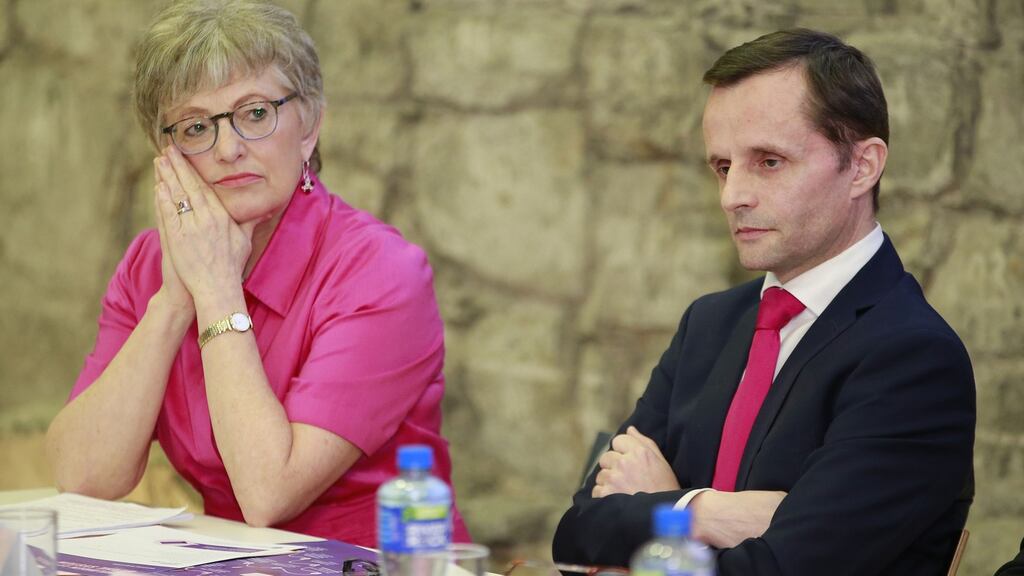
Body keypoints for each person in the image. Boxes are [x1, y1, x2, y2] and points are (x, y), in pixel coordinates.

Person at [45, 0, 470, 547]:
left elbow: (269, 492)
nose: (227, 149)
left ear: (310, 124)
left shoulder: (380, 272)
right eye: (196, 127)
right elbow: (83, 478)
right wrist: (174, 303)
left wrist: (218, 292)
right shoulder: (149, 266)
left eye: (255, 114)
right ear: (166, 153)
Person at [552, 29, 974, 576]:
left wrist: (662, 508)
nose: (732, 196)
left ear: (863, 165)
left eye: (769, 161)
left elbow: (781, 568)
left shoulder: (912, 358)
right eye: (723, 166)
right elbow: (578, 532)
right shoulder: (711, 322)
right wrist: (705, 511)